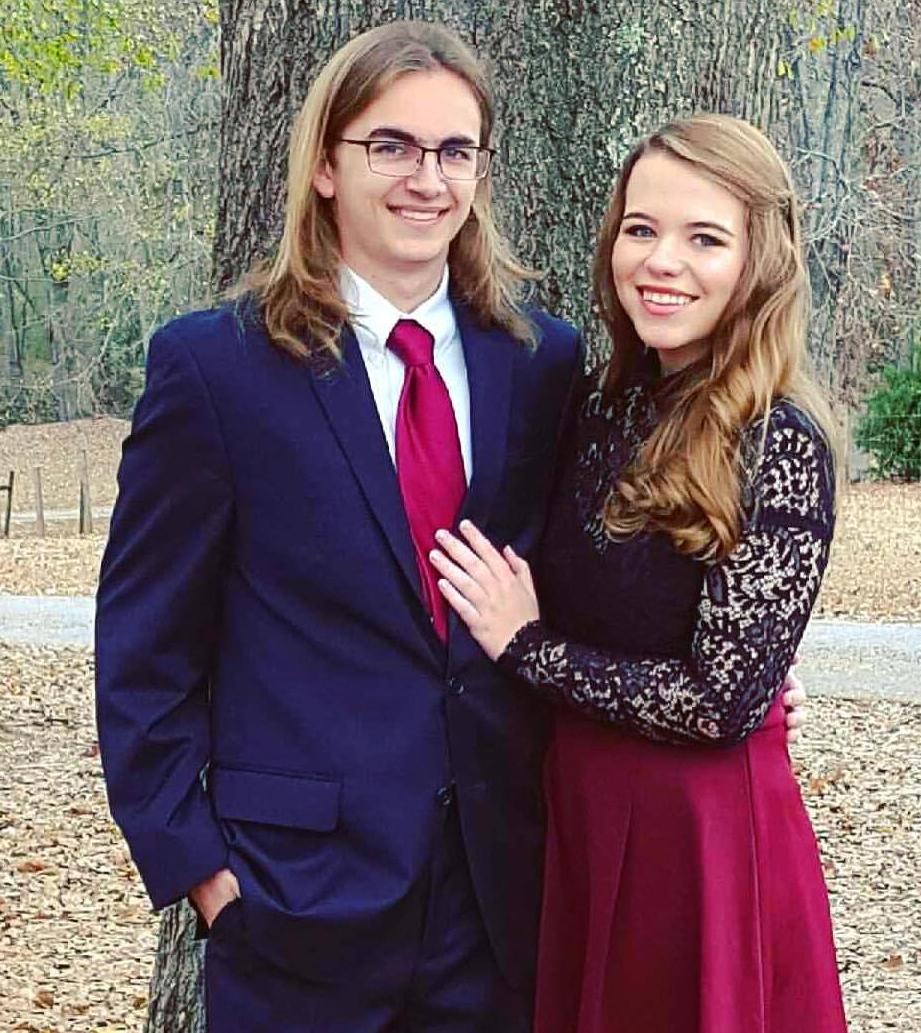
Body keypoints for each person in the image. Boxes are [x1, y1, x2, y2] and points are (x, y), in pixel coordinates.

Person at [95, 20, 807, 1031]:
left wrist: (741, 675)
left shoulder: (541, 362)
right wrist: (201, 870)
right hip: (293, 903)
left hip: (503, 900)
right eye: (390, 145)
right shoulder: (216, 370)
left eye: (453, 150)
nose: (425, 179)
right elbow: (144, 648)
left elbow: (590, 573)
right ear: (326, 166)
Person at [432, 114, 848, 1033]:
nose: (662, 261)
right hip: (576, 811)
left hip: (697, 840)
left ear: (760, 261)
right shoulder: (598, 405)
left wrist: (526, 647)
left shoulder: (778, 440)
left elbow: (717, 704)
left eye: (704, 238)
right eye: (641, 228)